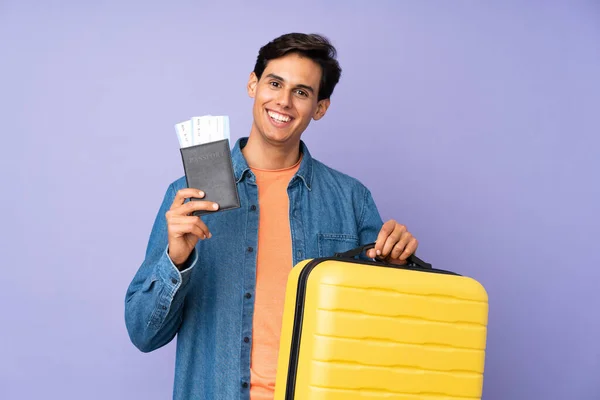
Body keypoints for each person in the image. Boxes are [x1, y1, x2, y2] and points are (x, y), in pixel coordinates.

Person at [125, 32, 419, 400]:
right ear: (253, 84)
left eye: (301, 91)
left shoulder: (351, 199)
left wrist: (397, 269)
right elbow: (143, 333)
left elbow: (385, 337)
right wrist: (176, 260)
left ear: (320, 107)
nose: (283, 100)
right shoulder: (188, 197)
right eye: (275, 83)